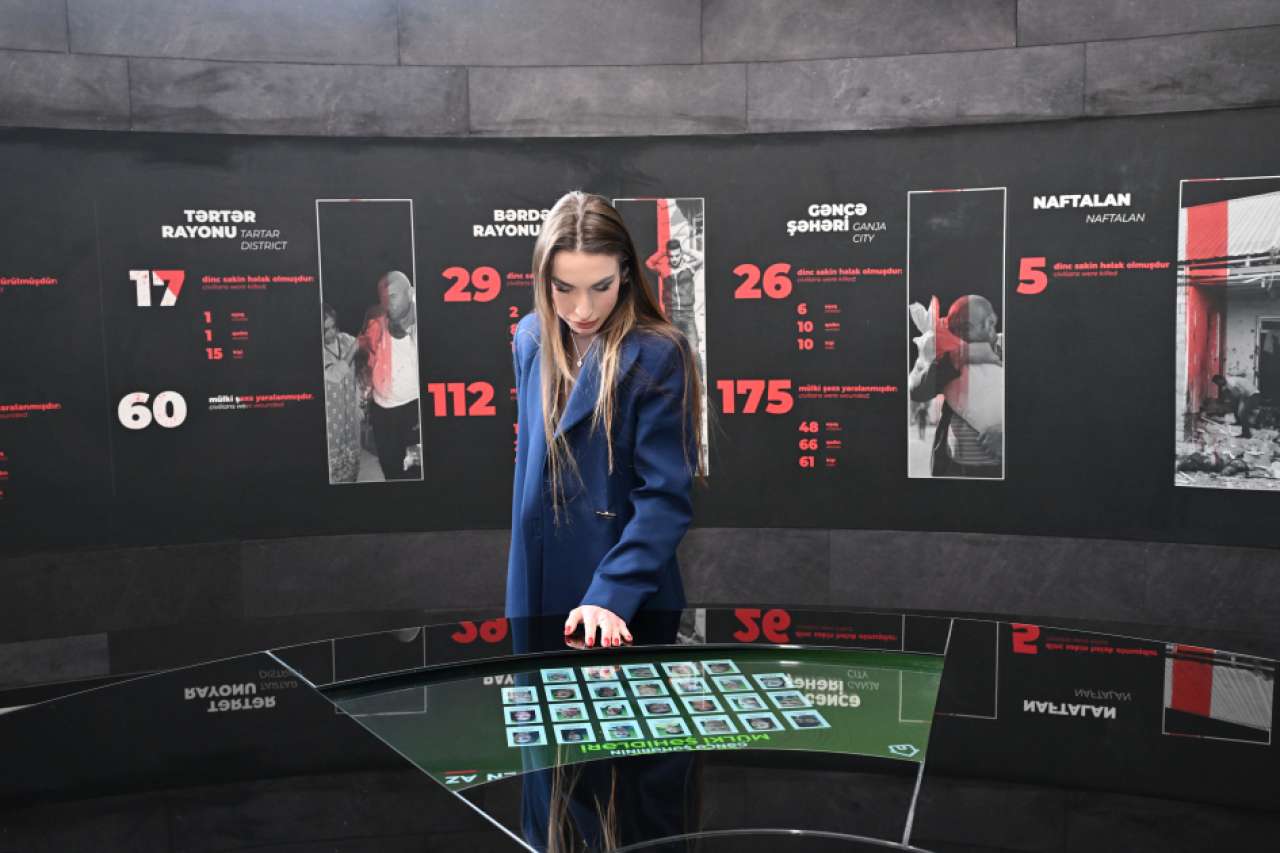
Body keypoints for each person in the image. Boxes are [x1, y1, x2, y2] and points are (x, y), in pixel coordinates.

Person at [507, 190, 707, 648]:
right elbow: (530, 474)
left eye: (601, 287)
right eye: (564, 289)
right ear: (544, 280)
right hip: (536, 588)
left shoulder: (659, 352)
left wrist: (612, 594)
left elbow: (665, 495)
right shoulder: (530, 337)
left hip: (623, 598)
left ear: (626, 274)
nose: (583, 310)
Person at [909, 294, 1003, 478]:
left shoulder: (1007, 348)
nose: (959, 334)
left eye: (966, 327)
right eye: (954, 328)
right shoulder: (950, 354)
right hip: (953, 467)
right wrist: (953, 360)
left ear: (989, 323)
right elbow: (918, 391)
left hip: (996, 470)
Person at [358, 270, 422, 480]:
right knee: (390, 467)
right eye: (383, 298)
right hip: (382, 411)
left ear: (410, 293)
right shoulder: (376, 323)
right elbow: (365, 357)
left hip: (413, 408)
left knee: (414, 471)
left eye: (393, 296)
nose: (387, 303)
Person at [321, 303, 361, 483]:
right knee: (334, 463)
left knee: (352, 456)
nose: (331, 333)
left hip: (350, 411)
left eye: (333, 327)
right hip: (331, 417)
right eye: (325, 330)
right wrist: (355, 348)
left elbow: (367, 344)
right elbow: (335, 374)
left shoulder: (345, 339)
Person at [645, 237, 704, 359]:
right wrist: (663, 251)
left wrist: (685, 250)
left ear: (681, 254)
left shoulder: (689, 267)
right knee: (671, 352)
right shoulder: (664, 269)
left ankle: (697, 373)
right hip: (671, 315)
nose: (675, 259)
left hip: (688, 315)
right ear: (668, 256)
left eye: (677, 255)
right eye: (671, 256)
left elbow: (701, 258)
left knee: (693, 351)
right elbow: (649, 263)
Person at [1212, 373, 1261, 438]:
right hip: (1248, 394)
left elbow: (1242, 393)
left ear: (1221, 379)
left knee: (1242, 413)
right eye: (1216, 384)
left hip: (1252, 394)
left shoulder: (1231, 382)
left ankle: (1247, 433)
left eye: (1218, 382)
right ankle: (1241, 423)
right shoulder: (1226, 385)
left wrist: (1240, 403)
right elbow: (1235, 395)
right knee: (1236, 406)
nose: (1218, 385)